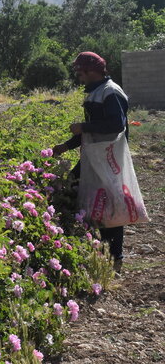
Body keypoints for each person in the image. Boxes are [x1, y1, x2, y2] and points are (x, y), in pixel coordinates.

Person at [52, 51, 129, 270]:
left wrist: (83, 127)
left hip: (108, 157)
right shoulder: (96, 92)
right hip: (94, 155)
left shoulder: (110, 92)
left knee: (109, 204)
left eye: (80, 71)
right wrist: (66, 146)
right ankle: (94, 247)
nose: (79, 76)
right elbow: (89, 131)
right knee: (74, 189)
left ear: (91, 70)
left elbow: (116, 125)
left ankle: (115, 257)